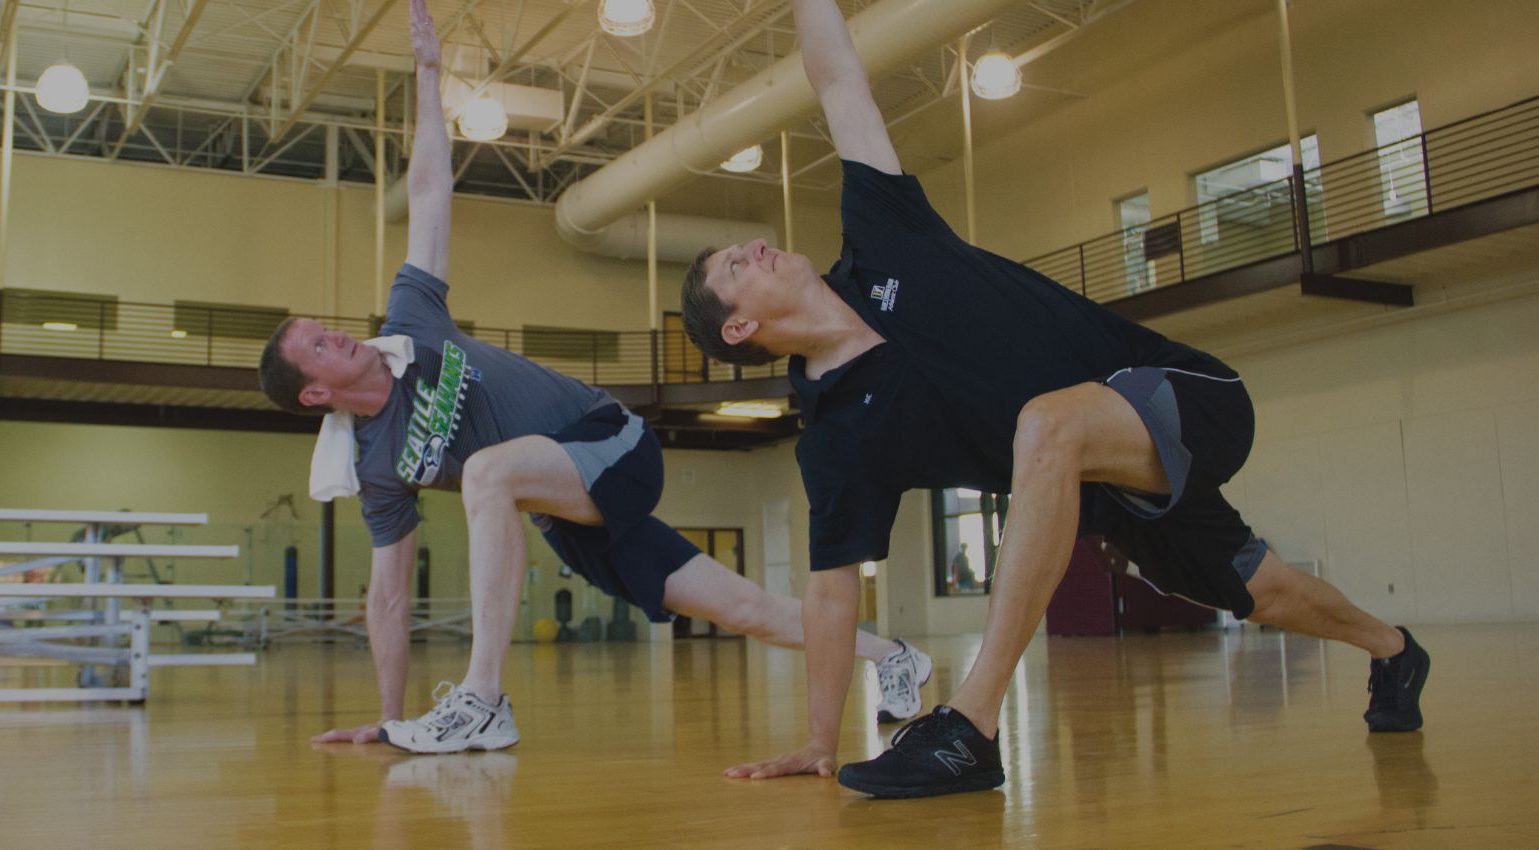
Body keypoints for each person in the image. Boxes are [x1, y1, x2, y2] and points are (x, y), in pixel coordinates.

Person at [681, 0, 1429, 799]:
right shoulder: (835, 438)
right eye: (734, 267)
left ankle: (971, 727)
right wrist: (819, 740)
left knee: (1047, 422)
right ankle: (1394, 650)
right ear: (741, 329)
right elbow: (832, 587)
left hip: (1179, 392)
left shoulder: (883, 231)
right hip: (1111, 491)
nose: (754, 248)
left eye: (741, 248)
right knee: (1267, 591)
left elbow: (836, 79)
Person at [258, 0, 931, 756]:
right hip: (561, 506)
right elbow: (387, 594)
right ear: (313, 393)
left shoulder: (410, 325)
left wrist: (428, 74)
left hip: (608, 442)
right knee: (741, 606)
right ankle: (895, 656)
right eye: (317, 343)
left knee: (484, 471)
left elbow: (426, 194)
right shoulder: (376, 463)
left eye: (325, 324)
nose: (336, 333)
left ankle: (483, 699)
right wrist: (387, 716)